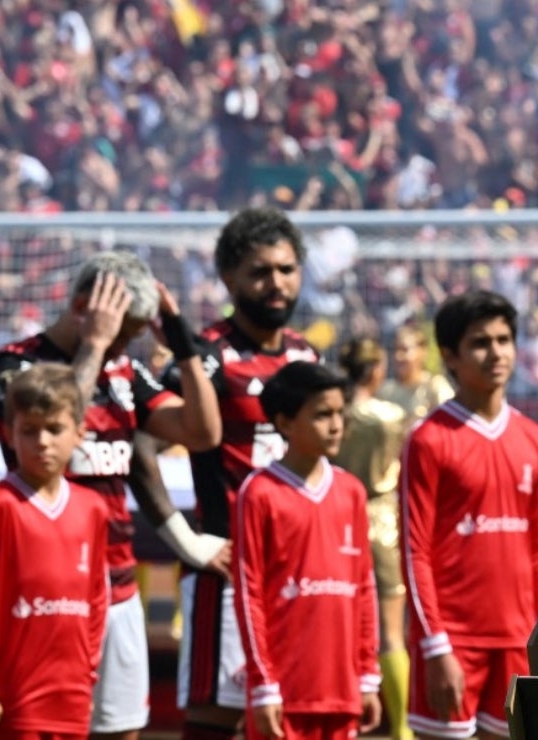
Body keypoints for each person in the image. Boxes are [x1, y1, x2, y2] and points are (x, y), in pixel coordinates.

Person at [0, 252, 223, 740]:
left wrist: (181, 343)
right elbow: (61, 422)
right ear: (82, 309)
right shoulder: (17, 364)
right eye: (121, 333)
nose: (124, 345)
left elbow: (202, 433)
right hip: (46, 593)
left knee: (120, 729)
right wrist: (94, 344)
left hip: (117, 586)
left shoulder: (124, 371)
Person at [168, 207, 319, 739]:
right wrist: (187, 541)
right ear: (229, 278)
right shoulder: (205, 358)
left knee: (293, 717)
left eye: (286, 269)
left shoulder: (306, 356)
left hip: (299, 573)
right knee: (217, 723)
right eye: (260, 272)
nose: (276, 283)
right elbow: (138, 445)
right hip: (229, 575)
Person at [400, 290, 538, 739]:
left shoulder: (533, 439)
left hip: (518, 641)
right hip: (453, 642)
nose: (496, 353)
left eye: (504, 339)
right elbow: (415, 552)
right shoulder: (428, 440)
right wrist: (435, 647)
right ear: (449, 355)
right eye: (480, 342)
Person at [232, 361, 381, 740]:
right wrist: (263, 684)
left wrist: (367, 676)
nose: (336, 425)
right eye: (322, 415)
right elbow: (249, 594)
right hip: (284, 694)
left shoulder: (351, 492)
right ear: (284, 423)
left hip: (342, 692)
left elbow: (364, 589)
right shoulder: (260, 492)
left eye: (340, 414)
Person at [0, 363, 110, 739]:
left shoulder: (93, 508)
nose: (42, 441)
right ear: (9, 434)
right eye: (29, 430)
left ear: (79, 432)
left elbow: (98, 599)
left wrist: (87, 675)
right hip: (13, 701)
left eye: (54, 429)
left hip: (71, 698)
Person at [334, 337, 411, 740]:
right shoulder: (392, 416)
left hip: (338, 519)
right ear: (377, 370)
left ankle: (342, 717)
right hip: (383, 523)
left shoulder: (333, 416)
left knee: (339, 624)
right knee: (391, 632)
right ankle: (401, 728)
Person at [378, 324, 454, 423]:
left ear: (422, 352)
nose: (398, 356)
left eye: (404, 350)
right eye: (395, 350)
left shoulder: (435, 387)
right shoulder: (386, 391)